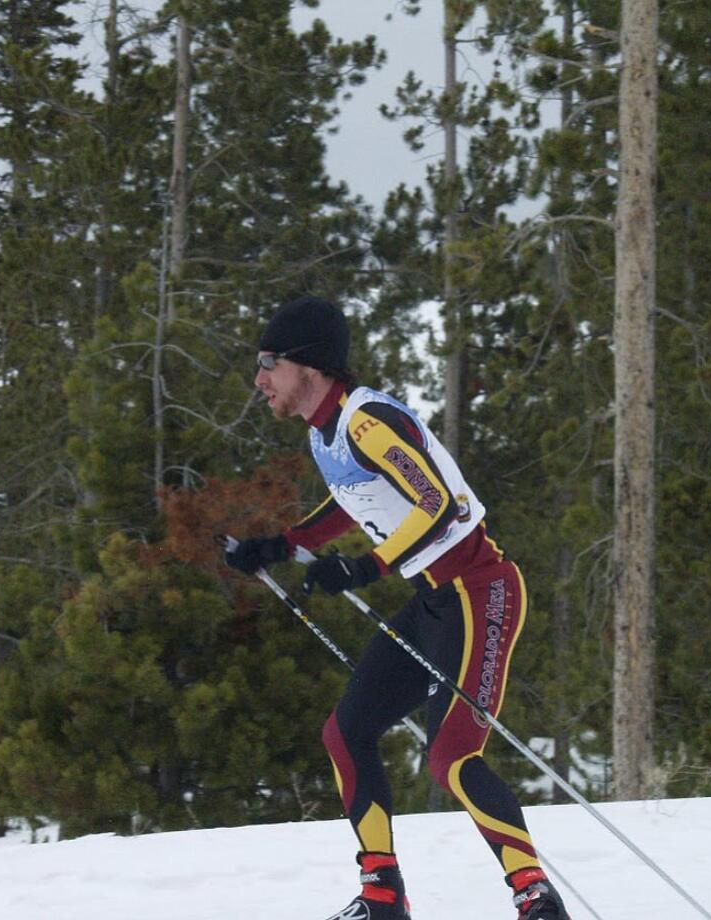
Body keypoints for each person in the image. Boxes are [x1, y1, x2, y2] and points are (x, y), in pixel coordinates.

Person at [224, 296, 569, 920]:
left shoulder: (366, 421)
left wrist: (364, 567)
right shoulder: (324, 435)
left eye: (268, 362)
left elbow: (437, 504)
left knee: (451, 759)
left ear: (310, 365)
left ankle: (535, 897)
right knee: (346, 732)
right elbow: (349, 506)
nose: (259, 380)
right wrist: (278, 546)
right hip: (434, 600)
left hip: (480, 589)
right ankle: (383, 895)